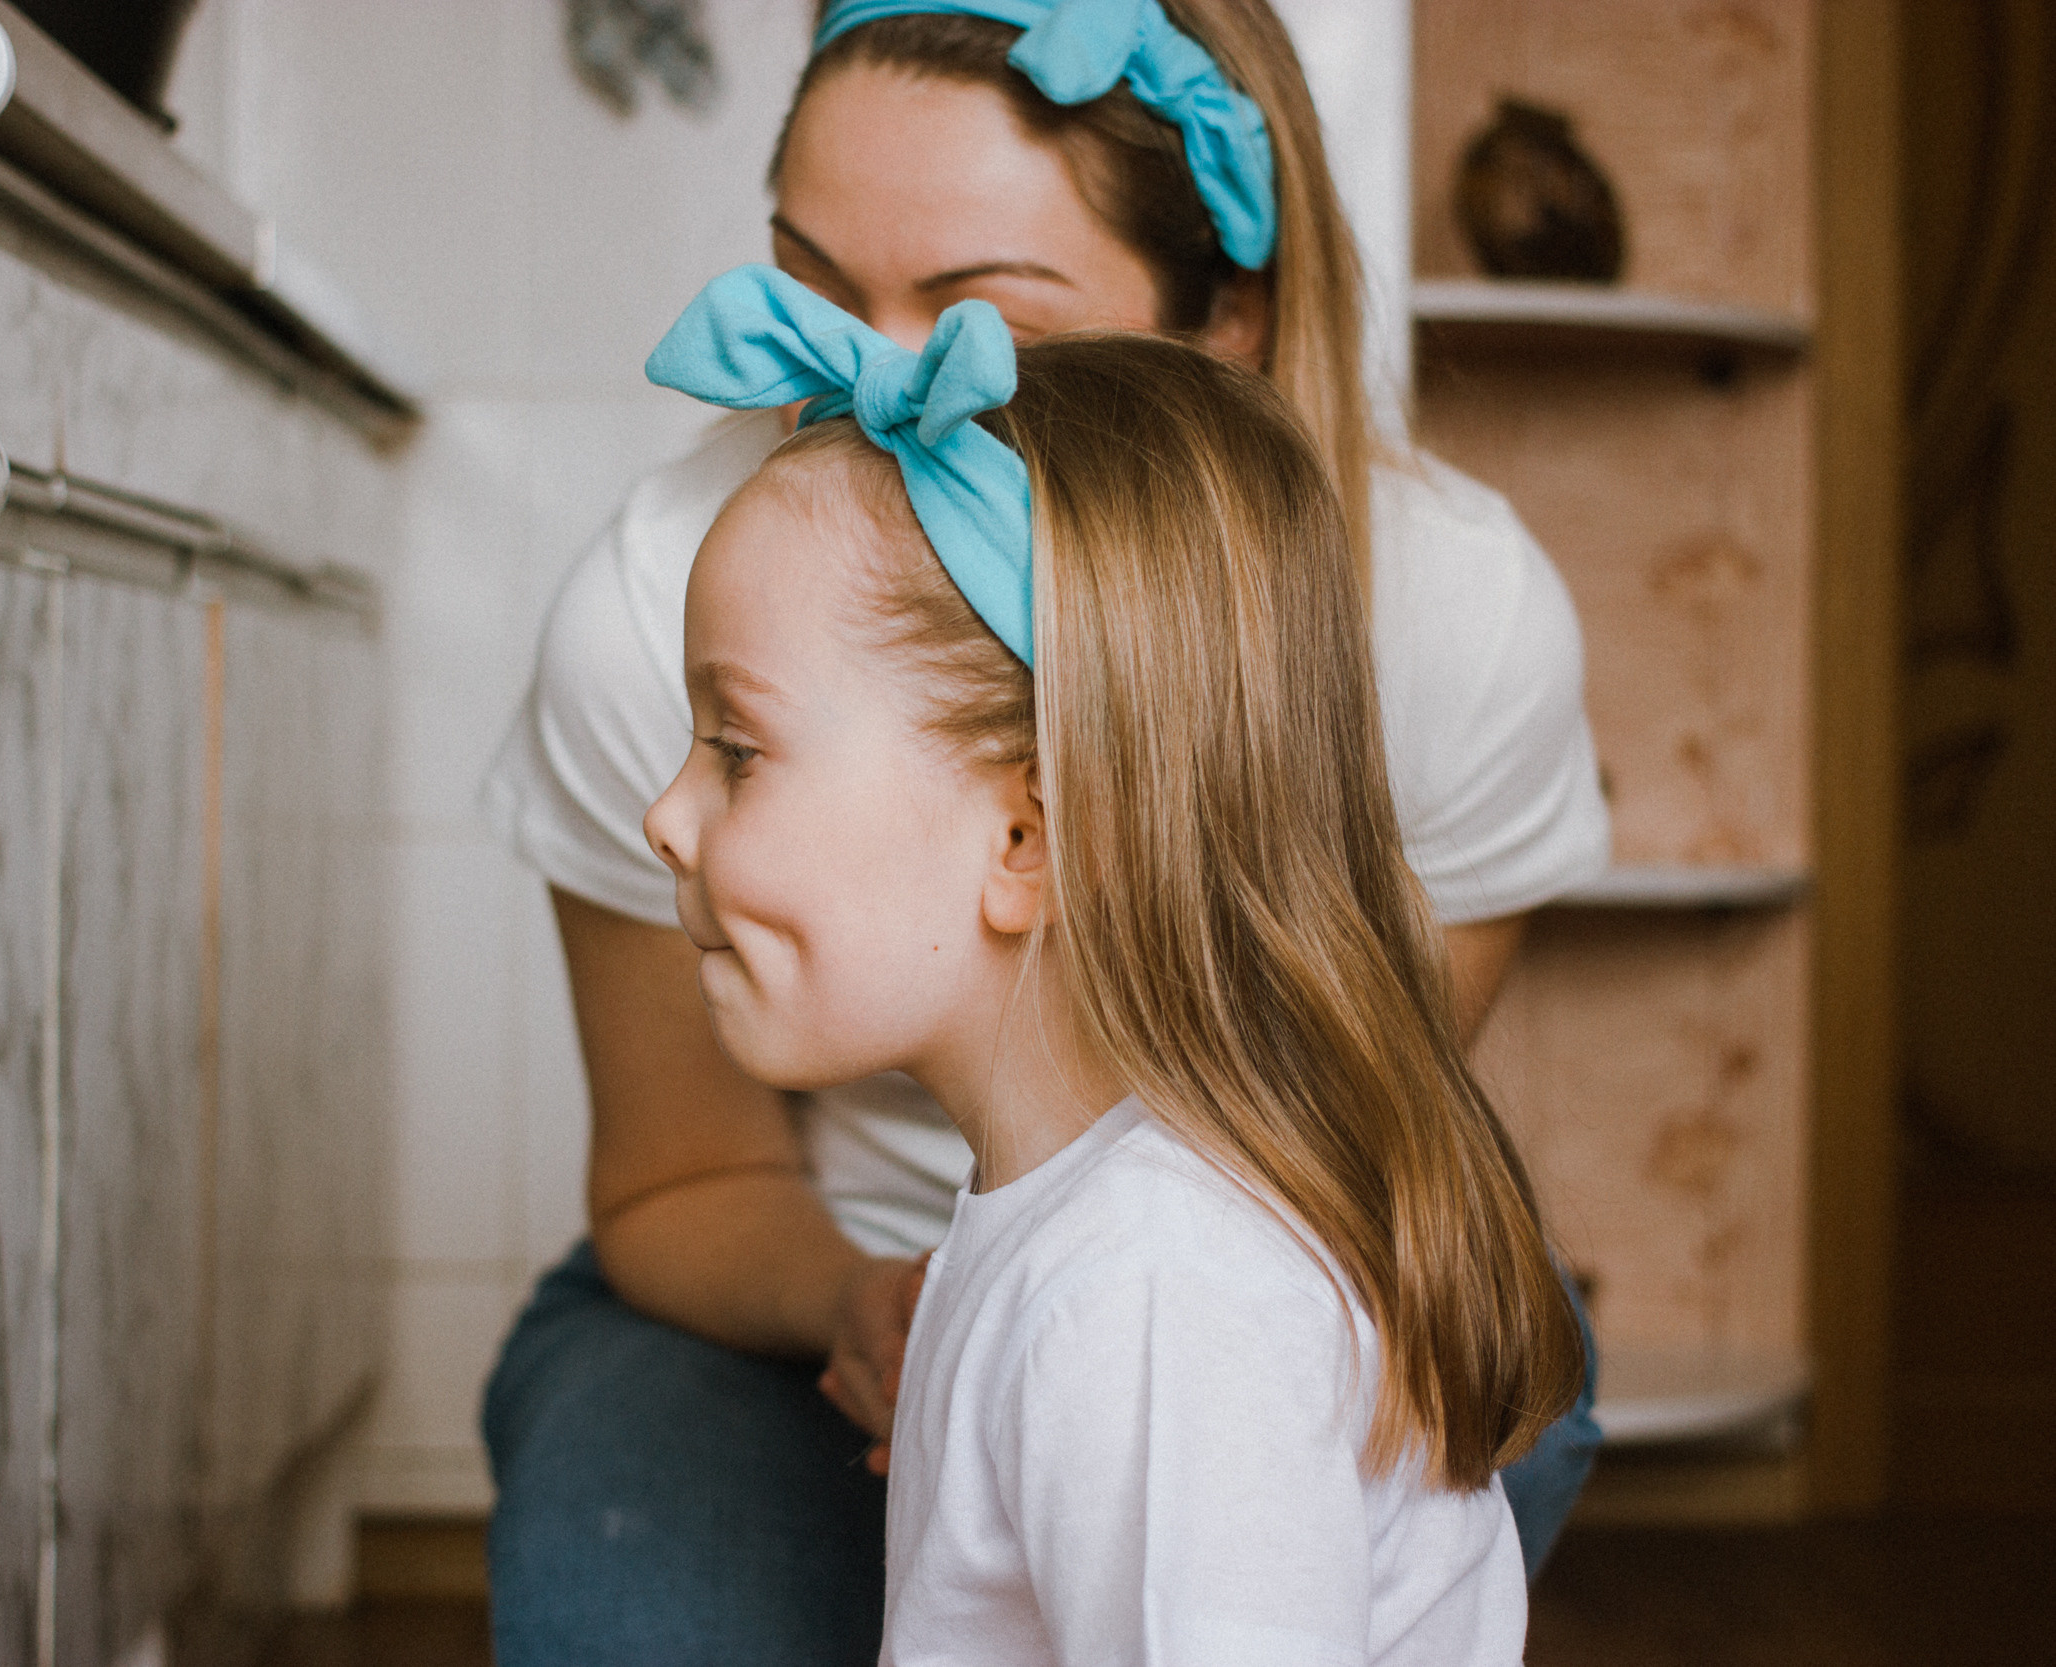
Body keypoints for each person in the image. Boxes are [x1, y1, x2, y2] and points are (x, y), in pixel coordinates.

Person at [481, 4, 1608, 1661]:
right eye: (811, 290)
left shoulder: (1159, 1297)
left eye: (982, 322)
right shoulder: (676, 584)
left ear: (1225, 322)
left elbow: (1332, 1123)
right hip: (859, 1272)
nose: (866, 387)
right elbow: (682, 1174)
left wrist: (1115, 1350)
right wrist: (891, 1311)